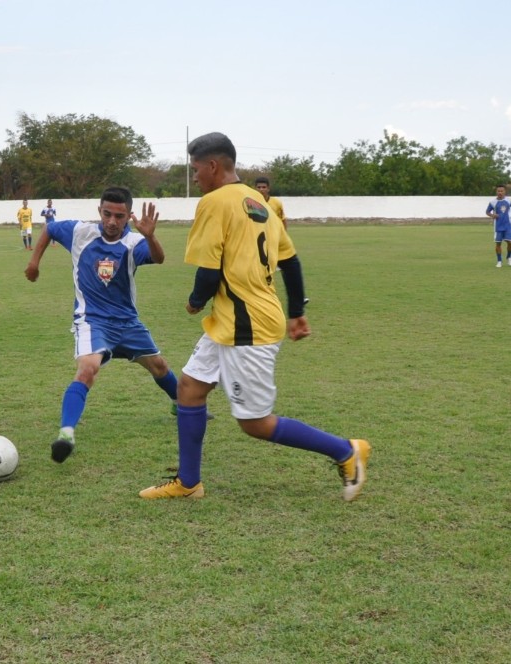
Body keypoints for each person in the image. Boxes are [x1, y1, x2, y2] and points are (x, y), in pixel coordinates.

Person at [139, 132, 370, 502]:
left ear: (213, 166)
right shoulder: (258, 202)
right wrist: (297, 312)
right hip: (233, 320)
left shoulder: (215, 202)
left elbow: (209, 270)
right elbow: (290, 260)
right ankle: (189, 483)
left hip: (247, 325)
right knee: (189, 389)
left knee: (255, 423)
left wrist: (195, 301)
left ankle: (346, 451)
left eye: (196, 169)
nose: (195, 176)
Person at [25, 186, 181, 463]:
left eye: (119, 216)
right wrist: (34, 262)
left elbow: (158, 258)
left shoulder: (134, 242)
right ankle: (65, 435)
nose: (111, 221)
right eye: (107, 214)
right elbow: (50, 229)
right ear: (99, 210)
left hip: (127, 321)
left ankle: (180, 404)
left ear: (128, 216)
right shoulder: (80, 232)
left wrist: (150, 235)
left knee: (159, 366)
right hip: (92, 320)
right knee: (88, 368)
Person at [486, 184, 511, 267]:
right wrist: (492, 215)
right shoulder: (493, 202)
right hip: (498, 227)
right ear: (496, 192)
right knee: (498, 244)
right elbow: (487, 212)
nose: (500, 192)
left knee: (510, 242)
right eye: (498, 191)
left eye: (502, 191)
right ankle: (499, 261)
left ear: (505, 192)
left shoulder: (509, 201)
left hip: (508, 225)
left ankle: (509, 257)